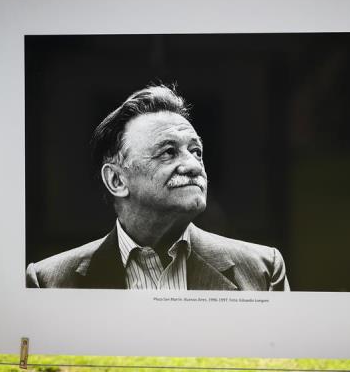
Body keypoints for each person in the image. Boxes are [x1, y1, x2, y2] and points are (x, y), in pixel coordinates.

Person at [26, 85, 290, 291]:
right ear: (117, 181)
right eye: (168, 152)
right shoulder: (49, 281)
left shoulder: (262, 270)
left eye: (196, 151)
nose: (193, 165)